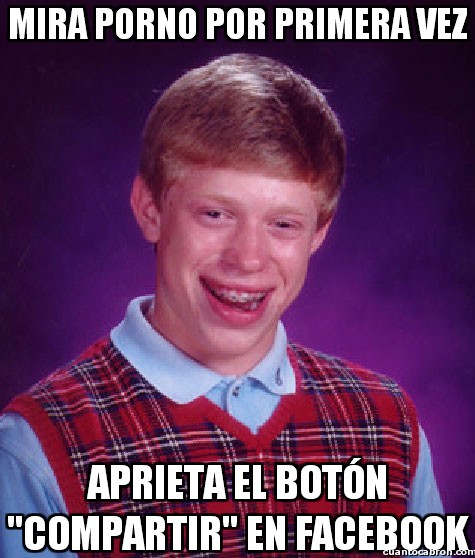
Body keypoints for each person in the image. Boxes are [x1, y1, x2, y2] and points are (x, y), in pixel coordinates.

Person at [0, 53, 443, 557]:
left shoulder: (388, 425)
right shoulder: (38, 448)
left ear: (318, 233)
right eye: (215, 214)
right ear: (150, 210)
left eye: (283, 224)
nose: (248, 258)